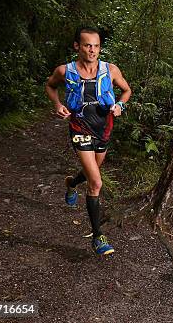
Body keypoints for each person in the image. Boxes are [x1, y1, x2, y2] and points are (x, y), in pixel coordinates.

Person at [45, 27, 131, 255]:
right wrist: (57, 105)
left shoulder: (110, 70)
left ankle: (72, 183)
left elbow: (126, 90)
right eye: (87, 45)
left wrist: (120, 105)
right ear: (77, 46)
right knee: (96, 183)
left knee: (92, 172)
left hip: (104, 129)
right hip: (79, 128)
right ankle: (97, 236)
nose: (92, 50)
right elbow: (50, 86)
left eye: (96, 45)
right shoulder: (65, 71)